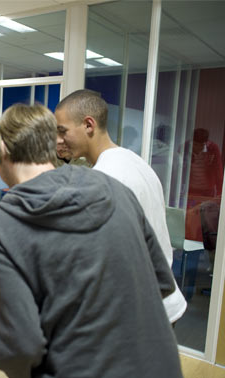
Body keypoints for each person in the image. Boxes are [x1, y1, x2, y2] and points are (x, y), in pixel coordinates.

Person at [0, 103, 182, 378]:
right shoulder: (116, 189)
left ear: (2, 151)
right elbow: (161, 282)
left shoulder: (1, 225)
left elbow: (20, 348)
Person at [55, 89, 187, 321]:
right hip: (163, 299)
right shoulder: (133, 161)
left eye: (63, 131)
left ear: (88, 125)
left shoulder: (106, 178)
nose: (58, 140)